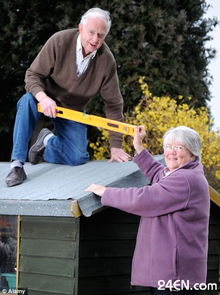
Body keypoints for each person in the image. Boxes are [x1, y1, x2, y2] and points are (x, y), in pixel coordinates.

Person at [6, 7, 130, 187]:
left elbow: (113, 104)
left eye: (101, 35)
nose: (95, 39)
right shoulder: (59, 41)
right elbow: (32, 75)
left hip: (73, 109)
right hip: (44, 98)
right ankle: (17, 165)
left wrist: (116, 146)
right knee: (26, 102)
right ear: (80, 28)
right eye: (91, 32)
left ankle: (47, 142)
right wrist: (43, 97)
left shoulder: (106, 60)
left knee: (77, 157)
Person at [86, 125, 210, 294]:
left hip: (175, 277)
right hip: (171, 273)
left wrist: (106, 192)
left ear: (192, 152)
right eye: (168, 147)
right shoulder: (182, 174)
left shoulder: (186, 179)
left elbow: (145, 198)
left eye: (178, 147)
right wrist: (138, 146)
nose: (171, 152)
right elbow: (157, 173)